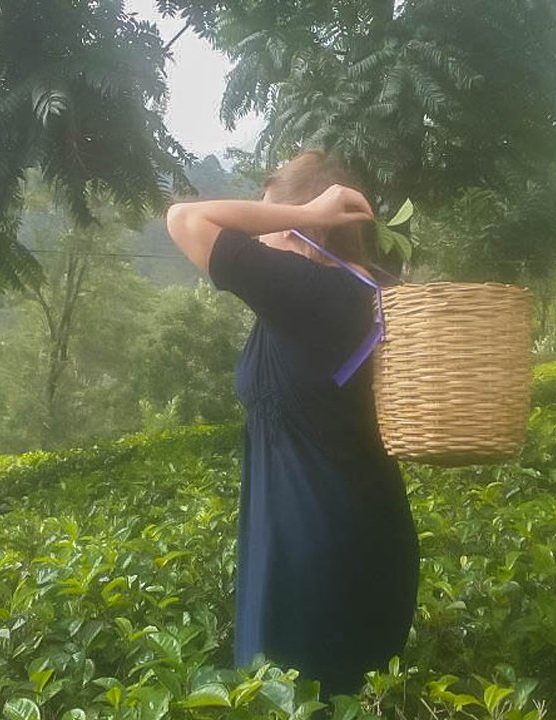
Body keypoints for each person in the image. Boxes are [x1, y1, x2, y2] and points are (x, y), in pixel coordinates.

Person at [165, 151, 420, 698]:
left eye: (268, 217)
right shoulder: (352, 294)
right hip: (349, 535)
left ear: (303, 227)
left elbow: (185, 219)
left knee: (297, 699)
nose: (258, 234)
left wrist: (304, 212)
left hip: (313, 551)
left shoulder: (311, 293)